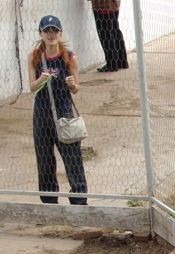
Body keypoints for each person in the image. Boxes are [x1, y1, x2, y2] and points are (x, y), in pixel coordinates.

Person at [28, 15, 88, 205]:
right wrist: (40, 81)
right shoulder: (35, 57)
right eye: (47, 30)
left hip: (64, 112)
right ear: (41, 33)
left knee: (72, 159)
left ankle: (79, 202)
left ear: (60, 33)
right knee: (45, 161)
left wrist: (72, 84)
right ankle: (49, 203)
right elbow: (31, 87)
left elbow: (76, 88)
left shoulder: (69, 57)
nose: (51, 34)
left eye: (54, 30)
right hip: (42, 113)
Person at [89, 0, 129, 72]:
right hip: (113, 4)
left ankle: (112, 64)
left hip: (103, 6)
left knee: (106, 34)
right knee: (115, 30)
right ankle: (121, 62)